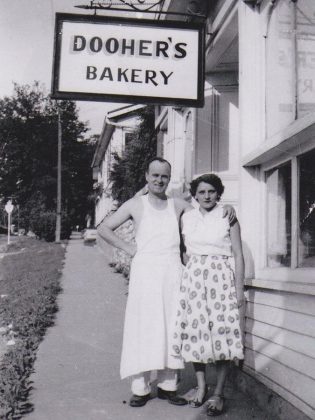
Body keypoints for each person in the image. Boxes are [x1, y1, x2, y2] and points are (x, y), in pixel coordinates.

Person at [98, 158, 236, 408]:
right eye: (155, 175)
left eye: (164, 176)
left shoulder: (178, 205)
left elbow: (207, 209)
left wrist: (229, 209)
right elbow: (104, 228)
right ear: (147, 176)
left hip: (173, 272)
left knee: (172, 327)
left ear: (169, 178)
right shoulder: (135, 204)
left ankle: (168, 386)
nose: (159, 180)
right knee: (143, 326)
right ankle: (140, 388)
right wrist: (129, 248)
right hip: (145, 272)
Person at [170, 173, 245, 416]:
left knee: (220, 334)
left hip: (220, 280)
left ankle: (218, 393)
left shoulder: (228, 216)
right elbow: (182, 250)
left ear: (218, 193)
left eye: (211, 191)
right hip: (194, 281)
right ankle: (201, 387)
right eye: (201, 192)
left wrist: (239, 288)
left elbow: (238, 254)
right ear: (195, 195)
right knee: (196, 334)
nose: (206, 196)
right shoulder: (187, 218)